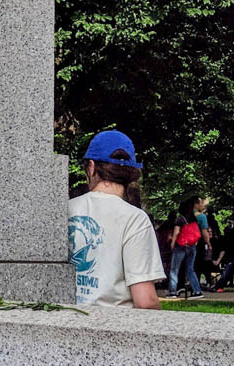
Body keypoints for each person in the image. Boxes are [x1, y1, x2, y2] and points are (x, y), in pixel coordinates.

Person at [67, 130, 164, 309]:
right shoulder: (135, 219)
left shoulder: (66, 210)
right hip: (115, 327)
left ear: (91, 167)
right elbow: (145, 302)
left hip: (66, 322)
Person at [167, 196, 207, 299]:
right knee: (190, 269)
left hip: (180, 245)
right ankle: (197, 291)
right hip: (192, 245)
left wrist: (172, 243)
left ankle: (172, 292)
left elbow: (177, 232)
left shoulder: (180, 218)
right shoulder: (194, 218)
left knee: (174, 269)